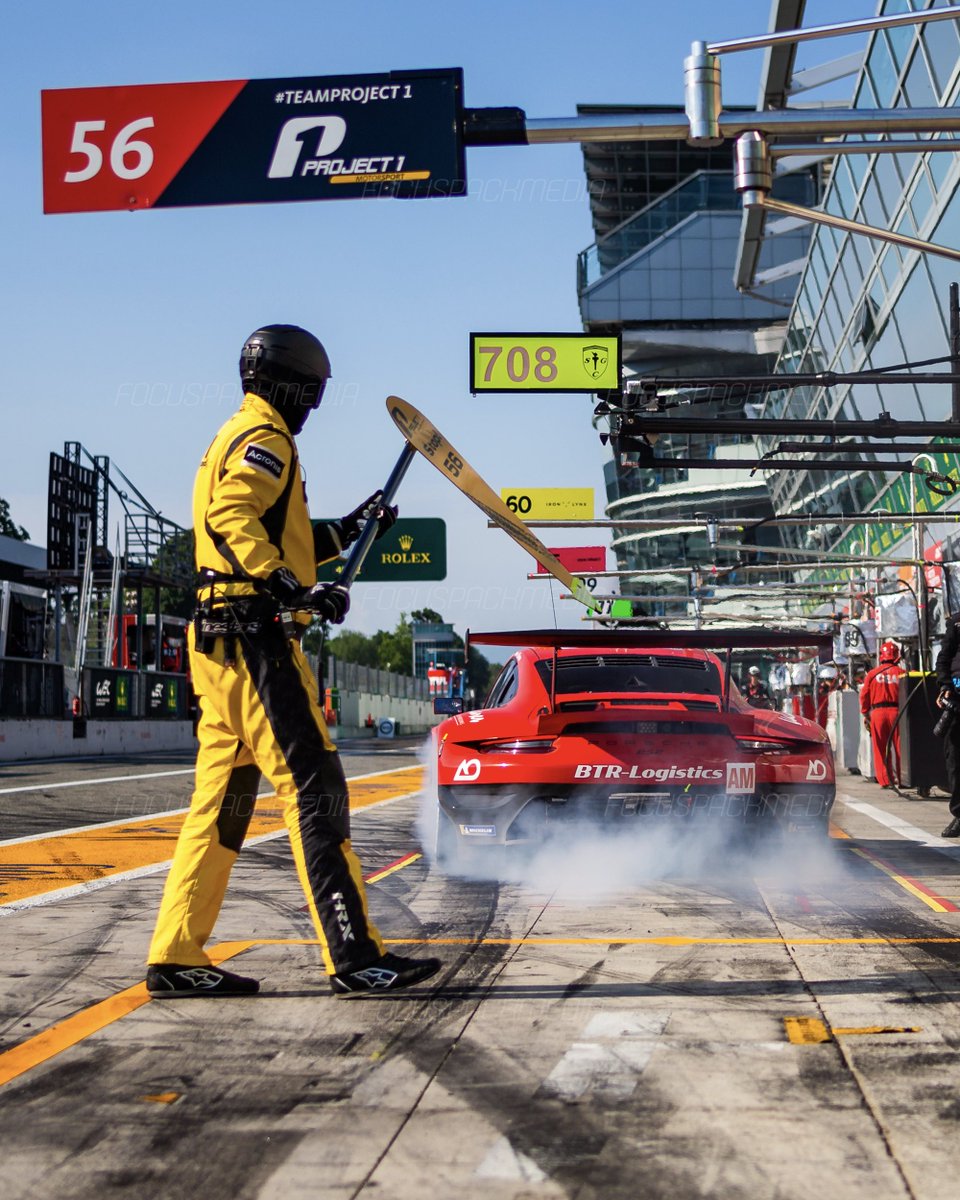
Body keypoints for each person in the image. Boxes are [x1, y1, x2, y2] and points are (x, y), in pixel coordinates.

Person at [146, 324, 441, 997]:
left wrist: (348, 530)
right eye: (312, 394)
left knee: (220, 807)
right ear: (294, 386)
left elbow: (275, 533)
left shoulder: (233, 434)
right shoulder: (268, 438)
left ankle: (174, 952)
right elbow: (232, 517)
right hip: (256, 647)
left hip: (217, 649)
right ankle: (354, 955)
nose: (311, 408)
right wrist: (288, 586)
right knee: (317, 792)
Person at [859, 641, 904, 789]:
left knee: (880, 748)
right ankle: (903, 778)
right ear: (896, 655)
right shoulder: (901, 673)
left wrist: (866, 713)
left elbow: (864, 696)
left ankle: (885, 780)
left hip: (877, 714)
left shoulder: (872, 674)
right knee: (900, 748)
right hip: (898, 712)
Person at [935, 614, 960, 837]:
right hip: (958, 702)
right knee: (955, 760)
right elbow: (943, 659)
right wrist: (945, 686)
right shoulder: (957, 623)